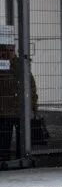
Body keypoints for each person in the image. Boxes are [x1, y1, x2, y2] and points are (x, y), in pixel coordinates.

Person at [0, 25, 37, 161]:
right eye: (5, 50)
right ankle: (9, 159)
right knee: (5, 138)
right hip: (8, 110)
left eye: (10, 50)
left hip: (17, 109)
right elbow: (31, 86)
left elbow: (31, 86)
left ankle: (18, 158)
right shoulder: (19, 65)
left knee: (14, 138)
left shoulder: (19, 65)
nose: (8, 52)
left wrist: (33, 106)